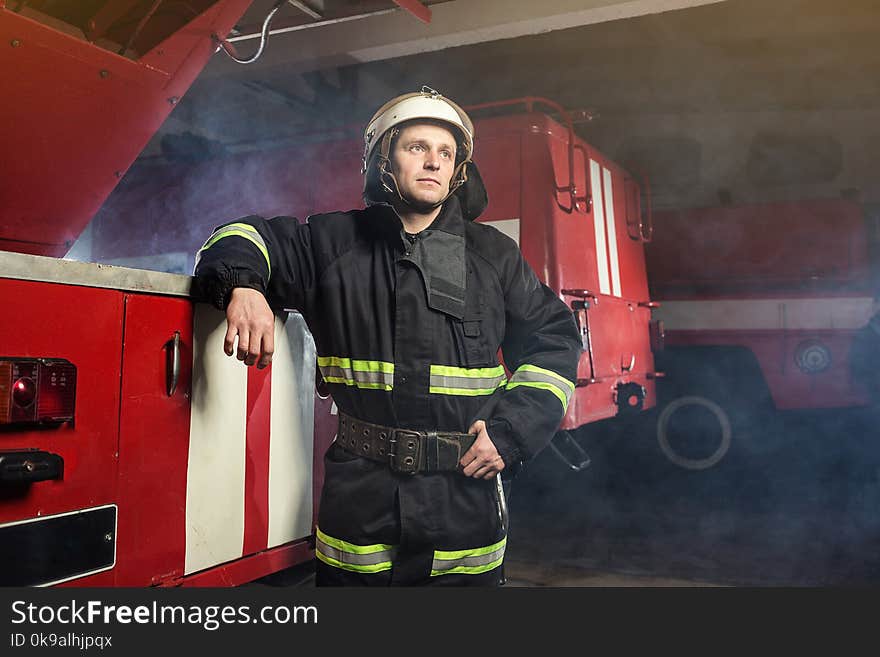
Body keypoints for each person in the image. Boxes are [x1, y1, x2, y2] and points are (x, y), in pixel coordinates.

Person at [194, 87, 582, 586]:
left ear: (459, 171)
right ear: (383, 160)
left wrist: (513, 432)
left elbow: (554, 337)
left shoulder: (493, 256)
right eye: (416, 147)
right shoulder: (331, 243)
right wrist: (244, 286)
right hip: (361, 496)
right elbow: (237, 236)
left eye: (446, 153)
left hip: (465, 494)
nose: (433, 162)